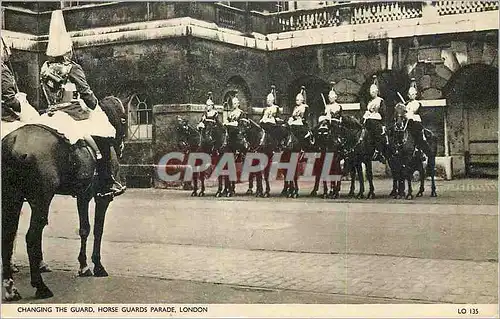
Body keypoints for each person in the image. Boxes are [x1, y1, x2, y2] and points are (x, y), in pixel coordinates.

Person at [39, 10, 125, 197]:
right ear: (67, 49)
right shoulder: (72, 67)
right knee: (104, 132)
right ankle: (106, 180)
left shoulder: (45, 68)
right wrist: (94, 104)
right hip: (74, 113)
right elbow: (86, 93)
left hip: (51, 113)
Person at [1, 37, 39, 138]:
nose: (9, 53)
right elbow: (9, 99)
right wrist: (23, 105)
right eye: (6, 49)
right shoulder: (3, 71)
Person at [360, 75, 388, 163]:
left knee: (378, 134)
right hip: (368, 119)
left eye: (373, 91)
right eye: (370, 91)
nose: (372, 93)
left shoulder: (380, 100)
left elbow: (383, 113)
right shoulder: (369, 102)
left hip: (377, 120)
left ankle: (379, 152)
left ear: (376, 91)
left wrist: (383, 124)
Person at [405, 78, 431, 159]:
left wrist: (411, 115)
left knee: (416, 133)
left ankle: (419, 148)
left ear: (415, 95)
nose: (411, 96)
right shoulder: (406, 104)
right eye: (409, 94)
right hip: (406, 123)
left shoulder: (418, 103)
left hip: (415, 123)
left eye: (413, 94)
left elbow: (418, 113)